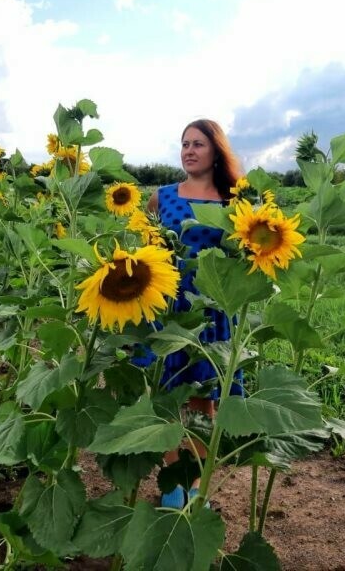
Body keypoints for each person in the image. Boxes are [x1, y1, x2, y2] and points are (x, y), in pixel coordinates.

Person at [146, 119, 244, 508]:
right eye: (184, 144)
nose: (188, 150)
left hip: (212, 310)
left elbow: (243, 254)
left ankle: (196, 487)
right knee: (168, 399)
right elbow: (147, 246)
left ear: (216, 150)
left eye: (198, 144)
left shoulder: (232, 202)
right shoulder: (163, 196)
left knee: (204, 404)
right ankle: (173, 488)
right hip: (171, 309)